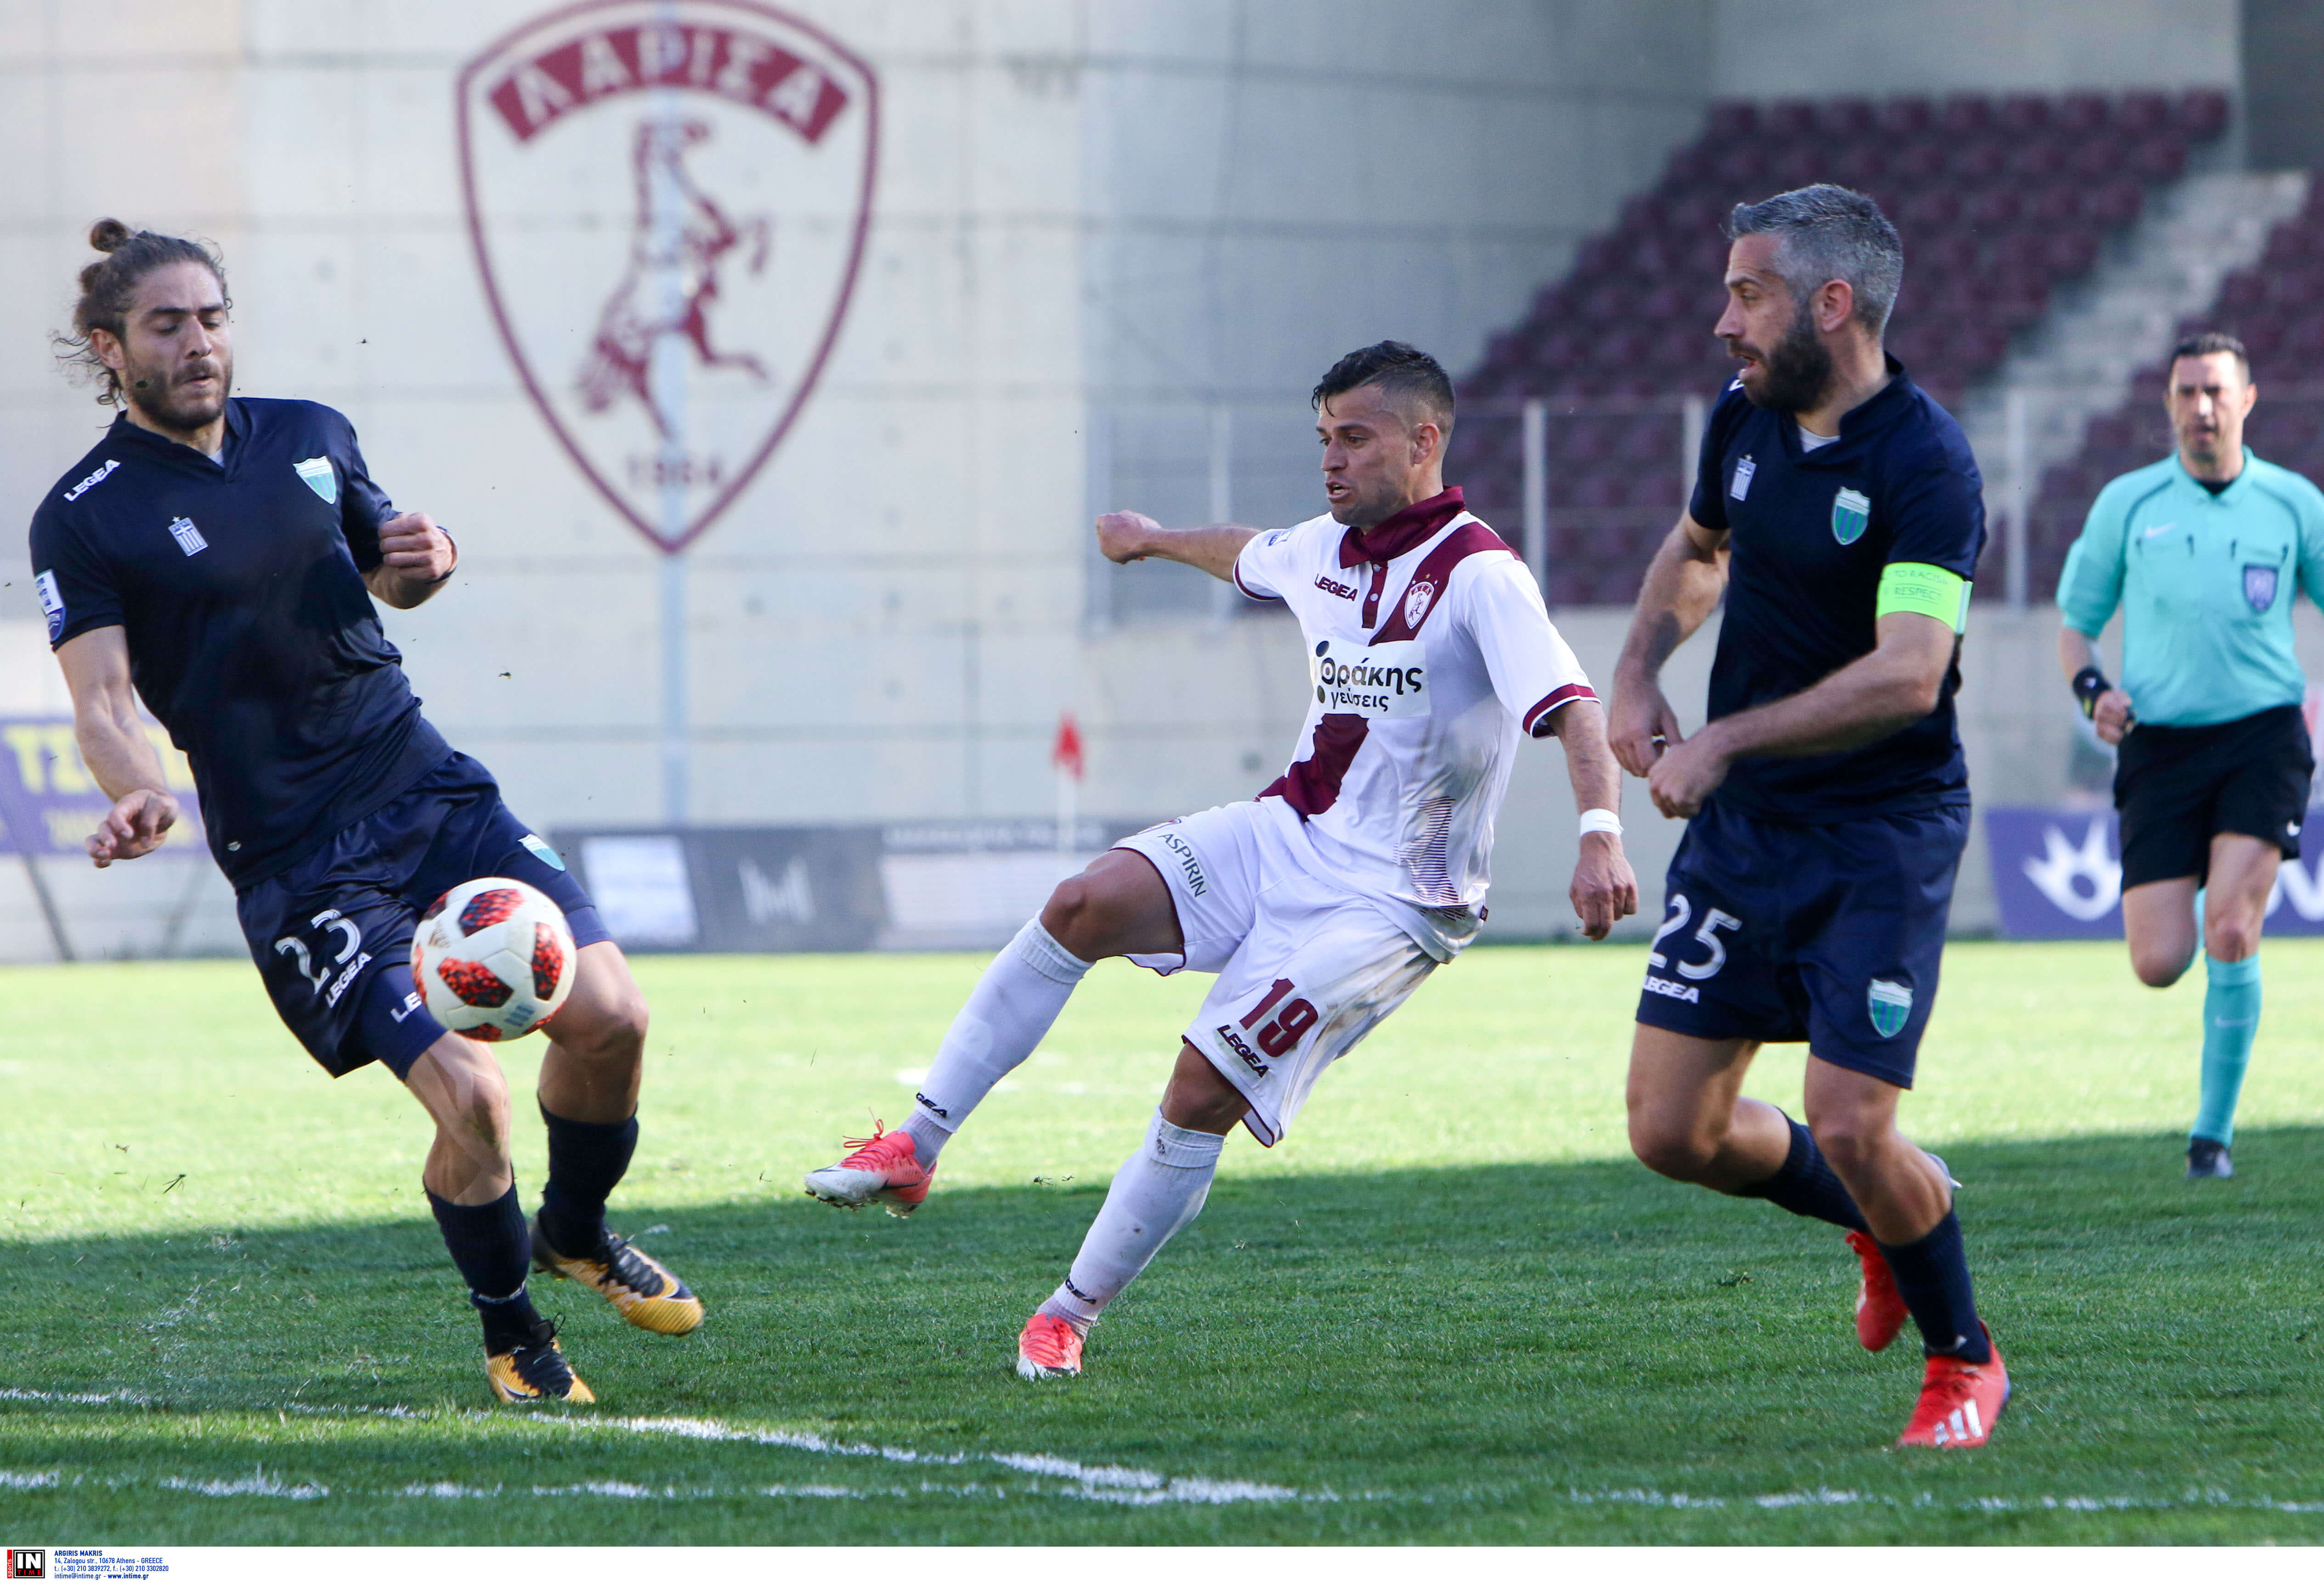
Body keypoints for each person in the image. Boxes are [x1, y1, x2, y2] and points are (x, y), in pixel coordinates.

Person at [803, 341, 1638, 1379]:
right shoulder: (1324, 547)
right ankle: (915, 1147)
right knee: (1082, 903)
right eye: (1324, 438)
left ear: (1425, 441)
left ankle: (1066, 1314)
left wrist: (1600, 834)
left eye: (1356, 438)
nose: (1331, 461)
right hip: (1284, 836)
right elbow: (1249, 551)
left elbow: (1574, 709)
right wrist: (1153, 541)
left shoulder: (1482, 578)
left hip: (1392, 905)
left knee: (1201, 1088)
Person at [30, 220, 701, 1405]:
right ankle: (515, 1331)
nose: (198, 344)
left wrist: (426, 560)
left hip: (424, 785)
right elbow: (103, 700)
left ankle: (576, 1232)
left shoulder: (311, 433)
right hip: (301, 858)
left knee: (615, 1019)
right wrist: (135, 787)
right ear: (110, 347)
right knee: (473, 1096)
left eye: (212, 318)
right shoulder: (84, 513)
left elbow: (390, 574)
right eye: (166, 325)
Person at [1607, 186, 2008, 1448]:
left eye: (1749, 295)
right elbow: (1698, 550)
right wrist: (1636, 673)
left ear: (1830, 304)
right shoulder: (1743, 415)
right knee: (1670, 1131)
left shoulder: (1924, 463)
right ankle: (1874, 1212)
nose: (1722, 321)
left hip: (1880, 832)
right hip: (1747, 832)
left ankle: (1963, 1362)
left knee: (1848, 1116)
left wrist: (1722, 738)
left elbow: (1910, 672)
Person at [2055, 332, 2324, 1180]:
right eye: (2186, 392)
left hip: (2263, 737)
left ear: (2247, 401)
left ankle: (2212, 1138)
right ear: (2169, 403)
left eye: (2215, 391)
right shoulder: (2129, 505)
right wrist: (2094, 693)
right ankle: (2214, 896)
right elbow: (2076, 627)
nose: (2201, 408)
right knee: (2160, 962)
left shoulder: (2295, 504)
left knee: (2233, 930)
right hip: (2161, 746)